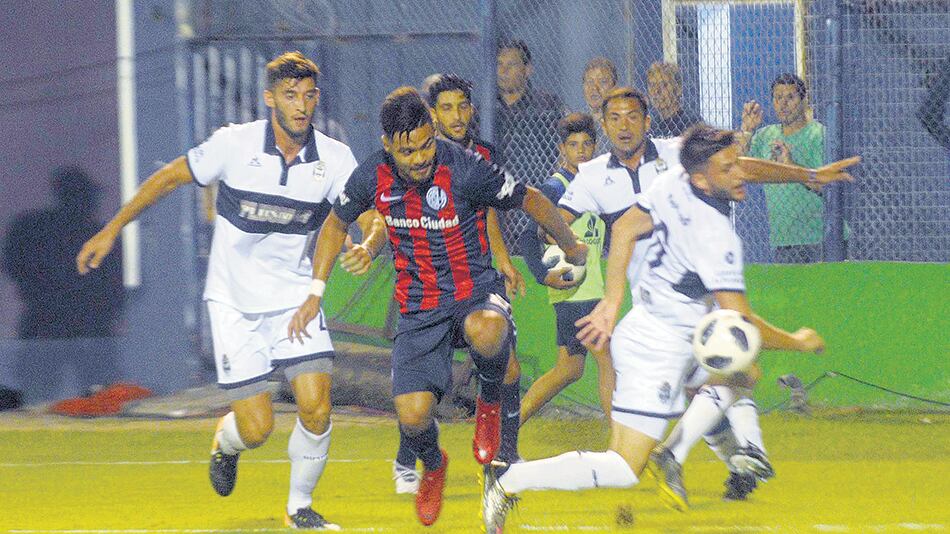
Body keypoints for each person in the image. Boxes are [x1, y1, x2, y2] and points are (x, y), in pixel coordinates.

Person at [482, 125, 856, 531]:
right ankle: (509, 480)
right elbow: (741, 323)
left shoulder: (675, 180)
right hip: (658, 347)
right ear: (702, 177)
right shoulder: (716, 237)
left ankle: (677, 452)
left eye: (736, 165)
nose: (740, 174)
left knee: (743, 372)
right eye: (728, 169)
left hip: (669, 324)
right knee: (624, 467)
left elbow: (624, 228)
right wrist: (799, 342)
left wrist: (809, 175)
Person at [76, 51, 384, 530]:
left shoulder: (334, 157)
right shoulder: (234, 145)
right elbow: (169, 176)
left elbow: (371, 218)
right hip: (234, 303)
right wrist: (113, 228)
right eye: (290, 95)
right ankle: (227, 441)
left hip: (294, 300)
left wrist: (369, 244)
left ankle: (299, 507)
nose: (301, 106)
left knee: (317, 405)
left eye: (308, 96)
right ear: (270, 99)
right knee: (258, 429)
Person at [287, 87, 587, 527]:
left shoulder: (463, 168)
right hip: (418, 307)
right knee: (411, 416)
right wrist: (316, 291)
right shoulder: (371, 175)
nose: (420, 157)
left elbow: (531, 199)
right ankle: (434, 462)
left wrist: (569, 243)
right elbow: (335, 224)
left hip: (473, 290)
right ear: (388, 145)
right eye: (408, 150)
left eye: (427, 143)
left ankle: (489, 397)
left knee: (489, 330)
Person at [388, 74, 529, 495]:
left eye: (463, 106)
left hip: (476, 278)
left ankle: (506, 459)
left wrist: (502, 258)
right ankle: (409, 454)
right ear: (431, 114)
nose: (457, 116)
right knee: (419, 385)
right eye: (446, 108)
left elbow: (490, 208)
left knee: (508, 365)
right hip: (429, 281)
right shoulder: (414, 157)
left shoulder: (483, 154)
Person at [517, 112, 612, 422]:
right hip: (575, 287)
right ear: (562, 150)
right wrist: (544, 276)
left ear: (596, 147)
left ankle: (509, 425)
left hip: (590, 285)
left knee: (570, 368)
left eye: (587, 144)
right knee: (607, 357)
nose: (581, 151)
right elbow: (529, 238)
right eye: (573, 145)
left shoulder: (596, 183)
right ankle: (622, 441)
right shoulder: (556, 188)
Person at [2, 166, 124, 401]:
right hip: (59, 325)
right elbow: (13, 263)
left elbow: (113, 286)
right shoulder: (37, 228)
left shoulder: (33, 227)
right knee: (38, 394)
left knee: (98, 397)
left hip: (75, 326)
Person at [739, 73, 839, 263]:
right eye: (778, 98)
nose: (783, 104)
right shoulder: (764, 135)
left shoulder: (818, 134)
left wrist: (791, 167)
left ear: (803, 101)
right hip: (784, 241)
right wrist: (746, 129)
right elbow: (738, 167)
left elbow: (828, 186)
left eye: (790, 97)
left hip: (820, 238)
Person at [496, 39, 564, 188]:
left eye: (511, 65)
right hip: (495, 189)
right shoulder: (486, 109)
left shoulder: (547, 106)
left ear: (527, 70)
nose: (503, 71)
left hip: (537, 187)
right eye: (499, 64)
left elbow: (562, 149)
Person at [647, 62, 704, 138]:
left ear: (678, 89)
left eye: (663, 85)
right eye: (652, 85)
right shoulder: (651, 126)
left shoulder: (692, 124)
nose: (656, 91)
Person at [581, 57, 618, 155]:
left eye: (603, 82)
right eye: (590, 82)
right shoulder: (577, 122)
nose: (594, 88)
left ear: (614, 87)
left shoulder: (621, 122)